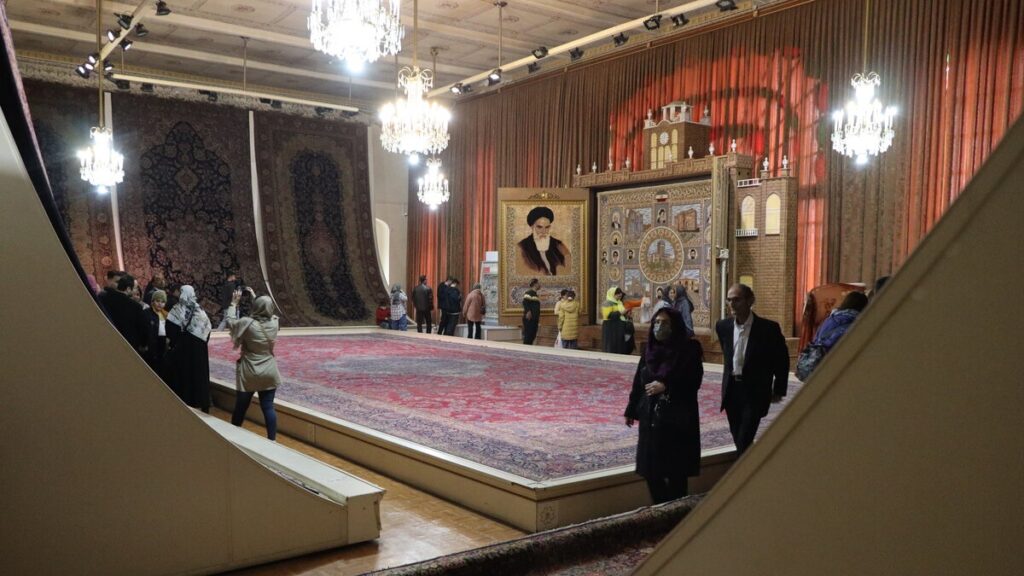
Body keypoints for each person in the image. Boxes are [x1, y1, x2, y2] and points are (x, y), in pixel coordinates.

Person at [624, 307, 704, 503]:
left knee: (676, 472)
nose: (660, 327)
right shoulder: (649, 350)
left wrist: (667, 386)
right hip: (651, 418)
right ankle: (661, 509)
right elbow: (639, 381)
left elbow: (694, 381)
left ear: (675, 325)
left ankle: (675, 512)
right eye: (657, 322)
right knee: (651, 471)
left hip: (676, 420)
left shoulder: (689, 350)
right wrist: (631, 409)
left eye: (665, 323)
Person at [715, 284, 789, 455]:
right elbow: (729, 356)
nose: (732, 304)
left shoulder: (768, 329)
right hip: (732, 390)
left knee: (744, 439)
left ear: (750, 301)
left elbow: (781, 360)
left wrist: (779, 388)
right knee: (738, 438)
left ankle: (742, 470)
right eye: (729, 300)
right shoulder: (723, 327)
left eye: (737, 300)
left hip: (755, 391)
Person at [226, 292, 282, 440]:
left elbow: (230, 322)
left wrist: (233, 304)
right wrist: (257, 299)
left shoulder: (247, 324)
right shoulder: (275, 322)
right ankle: (272, 441)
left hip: (249, 370)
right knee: (268, 407)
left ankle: (232, 438)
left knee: (241, 407)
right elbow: (264, 310)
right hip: (269, 369)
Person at [166, 285, 213, 413]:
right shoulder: (200, 311)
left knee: (184, 375)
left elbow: (171, 331)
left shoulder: (177, 309)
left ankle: (185, 403)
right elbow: (207, 329)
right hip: (199, 350)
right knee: (199, 375)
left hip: (183, 350)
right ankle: (202, 403)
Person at [516, 206, 572, 276]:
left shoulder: (559, 245)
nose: (543, 231)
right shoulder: (521, 247)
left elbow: (569, 269)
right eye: (539, 227)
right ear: (532, 227)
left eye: (547, 227)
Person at [101, 273, 148, 353]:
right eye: (135, 288)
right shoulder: (135, 306)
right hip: (130, 346)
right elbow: (143, 329)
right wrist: (143, 344)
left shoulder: (103, 299)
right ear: (128, 289)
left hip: (107, 343)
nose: (136, 291)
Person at [142, 289, 170, 381]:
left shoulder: (166, 315)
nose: (160, 304)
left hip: (162, 345)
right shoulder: (146, 313)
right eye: (157, 301)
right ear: (153, 301)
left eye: (162, 302)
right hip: (150, 345)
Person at [601, 286, 635, 355]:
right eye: (618, 294)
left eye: (620, 294)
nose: (620, 296)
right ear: (612, 294)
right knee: (612, 346)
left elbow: (621, 315)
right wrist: (621, 312)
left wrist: (627, 314)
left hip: (618, 327)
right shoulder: (607, 303)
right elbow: (607, 316)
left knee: (619, 346)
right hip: (610, 328)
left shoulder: (619, 302)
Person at [522, 278, 541, 345]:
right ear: (535, 284)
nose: (540, 285)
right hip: (530, 319)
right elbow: (525, 302)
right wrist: (528, 312)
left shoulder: (535, 294)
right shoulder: (529, 292)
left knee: (532, 336)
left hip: (534, 319)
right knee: (528, 336)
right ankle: (525, 349)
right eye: (538, 283)